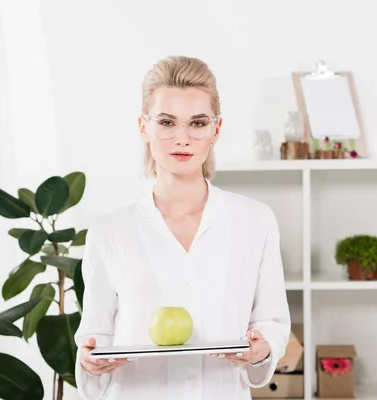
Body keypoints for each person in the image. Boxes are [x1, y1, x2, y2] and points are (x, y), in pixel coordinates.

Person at [74, 55, 291, 400]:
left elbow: (272, 322)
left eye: (198, 123)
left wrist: (262, 348)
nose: (182, 138)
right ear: (144, 127)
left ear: (215, 130)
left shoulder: (255, 221)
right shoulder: (108, 232)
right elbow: (95, 337)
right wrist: (90, 360)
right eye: (166, 122)